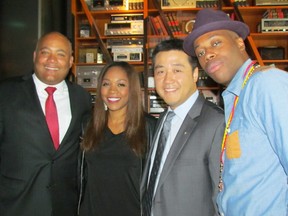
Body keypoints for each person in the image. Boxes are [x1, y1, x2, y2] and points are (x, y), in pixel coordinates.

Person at [183, 8, 288, 216]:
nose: (207, 55)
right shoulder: (234, 97)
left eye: (215, 43)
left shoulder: (266, 84)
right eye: (200, 52)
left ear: (240, 42)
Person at [0, 32, 92, 216]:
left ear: (70, 61)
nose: (52, 60)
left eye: (60, 54)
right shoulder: (6, 93)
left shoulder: (82, 97)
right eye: (45, 52)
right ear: (35, 56)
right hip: (15, 204)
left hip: (65, 205)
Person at [141, 38, 225, 216]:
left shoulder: (216, 122)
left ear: (195, 74)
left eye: (177, 70)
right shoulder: (164, 117)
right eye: (160, 71)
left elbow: (222, 199)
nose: (167, 79)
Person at [78, 61, 157, 216]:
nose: (112, 90)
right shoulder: (87, 123)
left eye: (121, 84)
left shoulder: (150, 127)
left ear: (132, 89)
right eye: (106, 84)